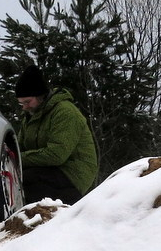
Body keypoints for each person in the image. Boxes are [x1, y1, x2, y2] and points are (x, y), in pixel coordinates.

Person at [14, 64, 98, 206]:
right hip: (49, 170)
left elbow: (57, 154)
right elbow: (20, 147)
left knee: (27, 182)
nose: (24, 107)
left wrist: (18, 159)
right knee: (12, 179)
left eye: (27, 102)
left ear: (40, 95)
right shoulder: (31, 116)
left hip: (73, 174)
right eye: (21, 103)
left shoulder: (65, 112)